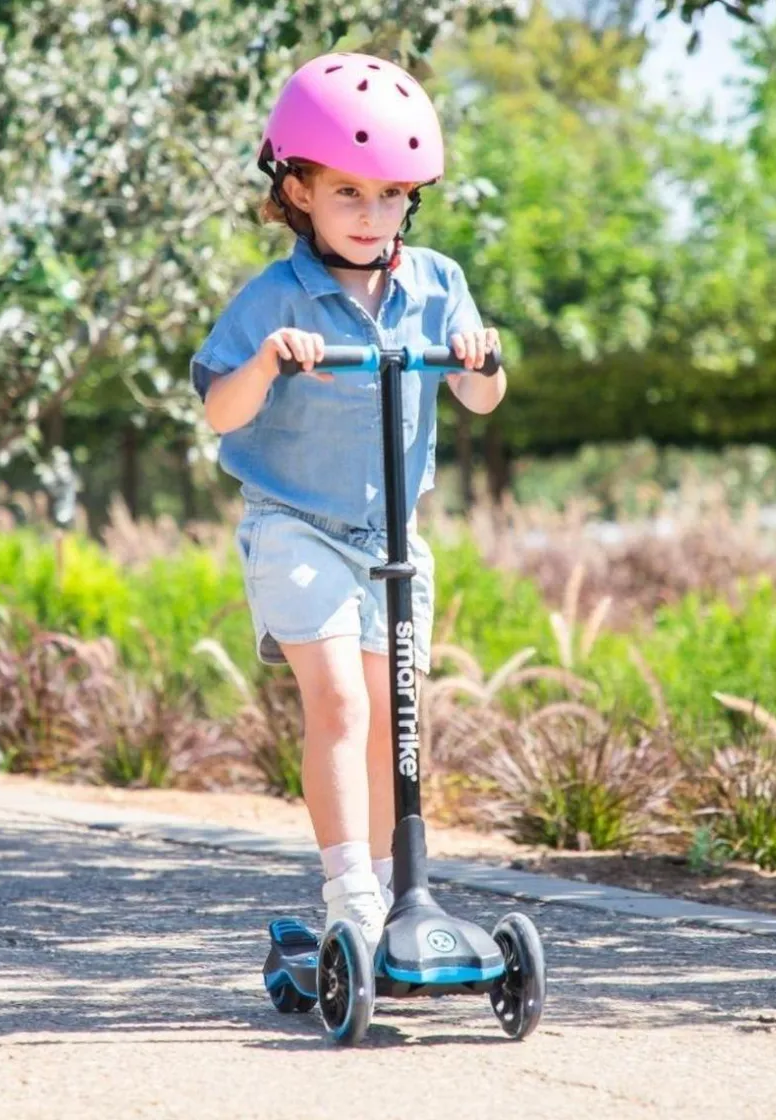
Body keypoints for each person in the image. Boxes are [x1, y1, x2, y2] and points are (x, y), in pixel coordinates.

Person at [189, 51, 506, 954]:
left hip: (395, 538)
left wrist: (480, 358)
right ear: (295, 192)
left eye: (391, 196)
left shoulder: (439, 284)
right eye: (347, 195)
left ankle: (399, 898)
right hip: (294, 526)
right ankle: (350, 896)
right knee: (338, 703)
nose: (373, 217)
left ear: (415, 196)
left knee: (393, 713)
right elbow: (221, 411)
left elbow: (482, 395)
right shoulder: (275, 297)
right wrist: (267, 361)